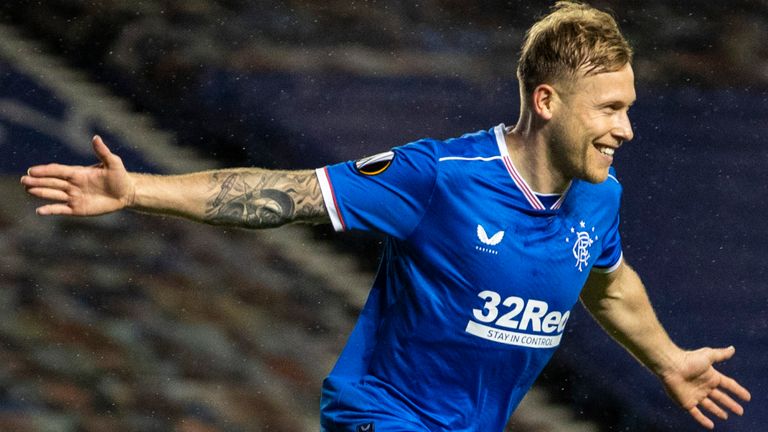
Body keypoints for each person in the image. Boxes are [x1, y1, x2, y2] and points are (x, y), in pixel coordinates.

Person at [21, 2, 750, 431]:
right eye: (612, 109)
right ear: (547, 101)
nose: (626, 130)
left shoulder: (600, 195)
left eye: (629, 109)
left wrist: (668, 360)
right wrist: (138, 191)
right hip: (384, 418)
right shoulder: (435, 176)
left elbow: (609, 282)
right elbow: (285, 195)